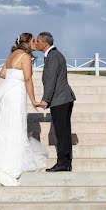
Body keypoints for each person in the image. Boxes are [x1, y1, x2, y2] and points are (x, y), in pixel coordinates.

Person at [0, 33, 47, 186]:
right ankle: (14, 157)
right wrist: (33, 100)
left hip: (6, 92)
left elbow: (2, 73)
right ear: (26, 42)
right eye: (32, 41)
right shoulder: (25, 57)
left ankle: (0, 156)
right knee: (16, 123)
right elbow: (28, 79)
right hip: (16, 93)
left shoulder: (12, 55)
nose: (34, 44)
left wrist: (13, 77)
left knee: (6, 123)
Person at [36, 31, 76, 172]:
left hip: (60, 100)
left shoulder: (53, 57)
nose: (36, 43)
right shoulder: (53, 55)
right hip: (62, 99)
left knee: (62, 132)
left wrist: (45, 99)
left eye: (38, 41)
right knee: (63, 132)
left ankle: (63, 163)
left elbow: (51, 80)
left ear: (45, 43)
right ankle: (66, 162)